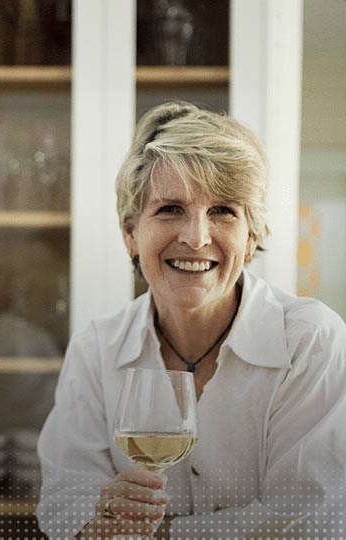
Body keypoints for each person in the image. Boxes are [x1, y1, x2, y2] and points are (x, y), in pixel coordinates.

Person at [36, 101, 346, 539]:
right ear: (130, 233)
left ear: (252, 234)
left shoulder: (310, 342)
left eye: (223, 211)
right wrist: (96, 521)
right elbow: (64, 500)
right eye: (169, 209)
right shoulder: (97, 347)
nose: (196, 237)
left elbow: (307, 520)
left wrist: (160, 535)